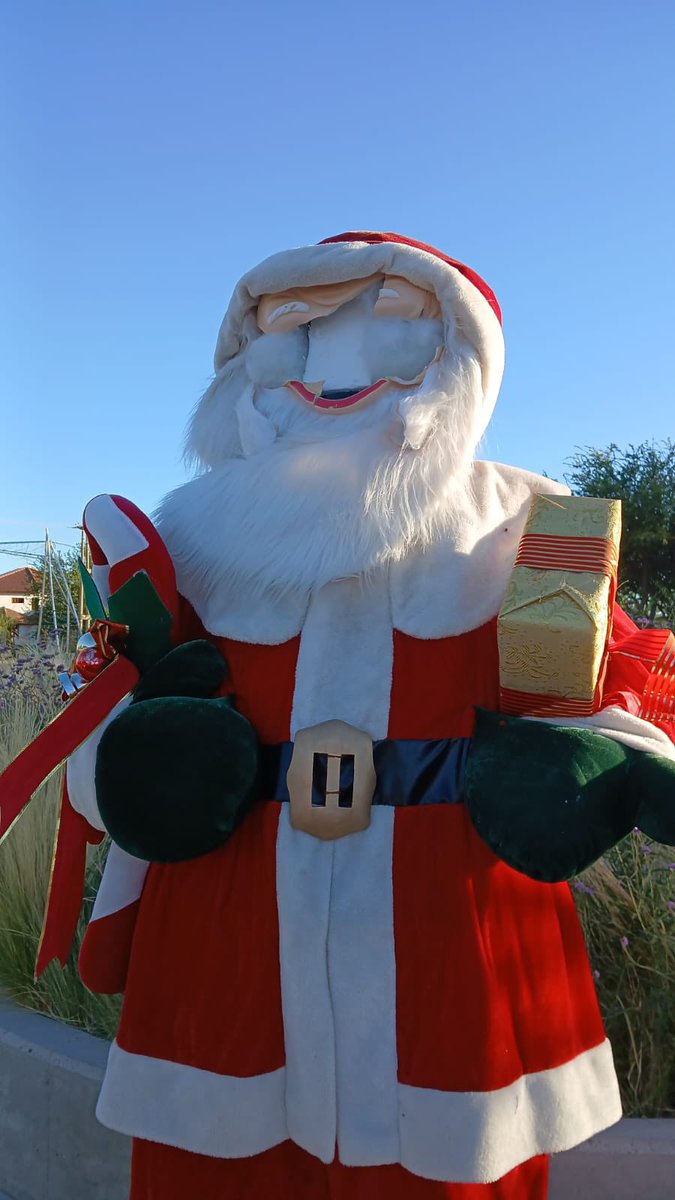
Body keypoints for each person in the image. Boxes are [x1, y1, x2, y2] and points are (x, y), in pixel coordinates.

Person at [66, 231, 675, 1199]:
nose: (334, 361)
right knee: (219, 1169)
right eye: (299, 330)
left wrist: (596, 761)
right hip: (226, 938)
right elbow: (112, 706)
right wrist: (126, 765)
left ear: (461, 353)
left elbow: (625, 677)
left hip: (454, 931)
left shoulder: (529, 519)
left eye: (388, 325)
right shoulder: (184, 532)